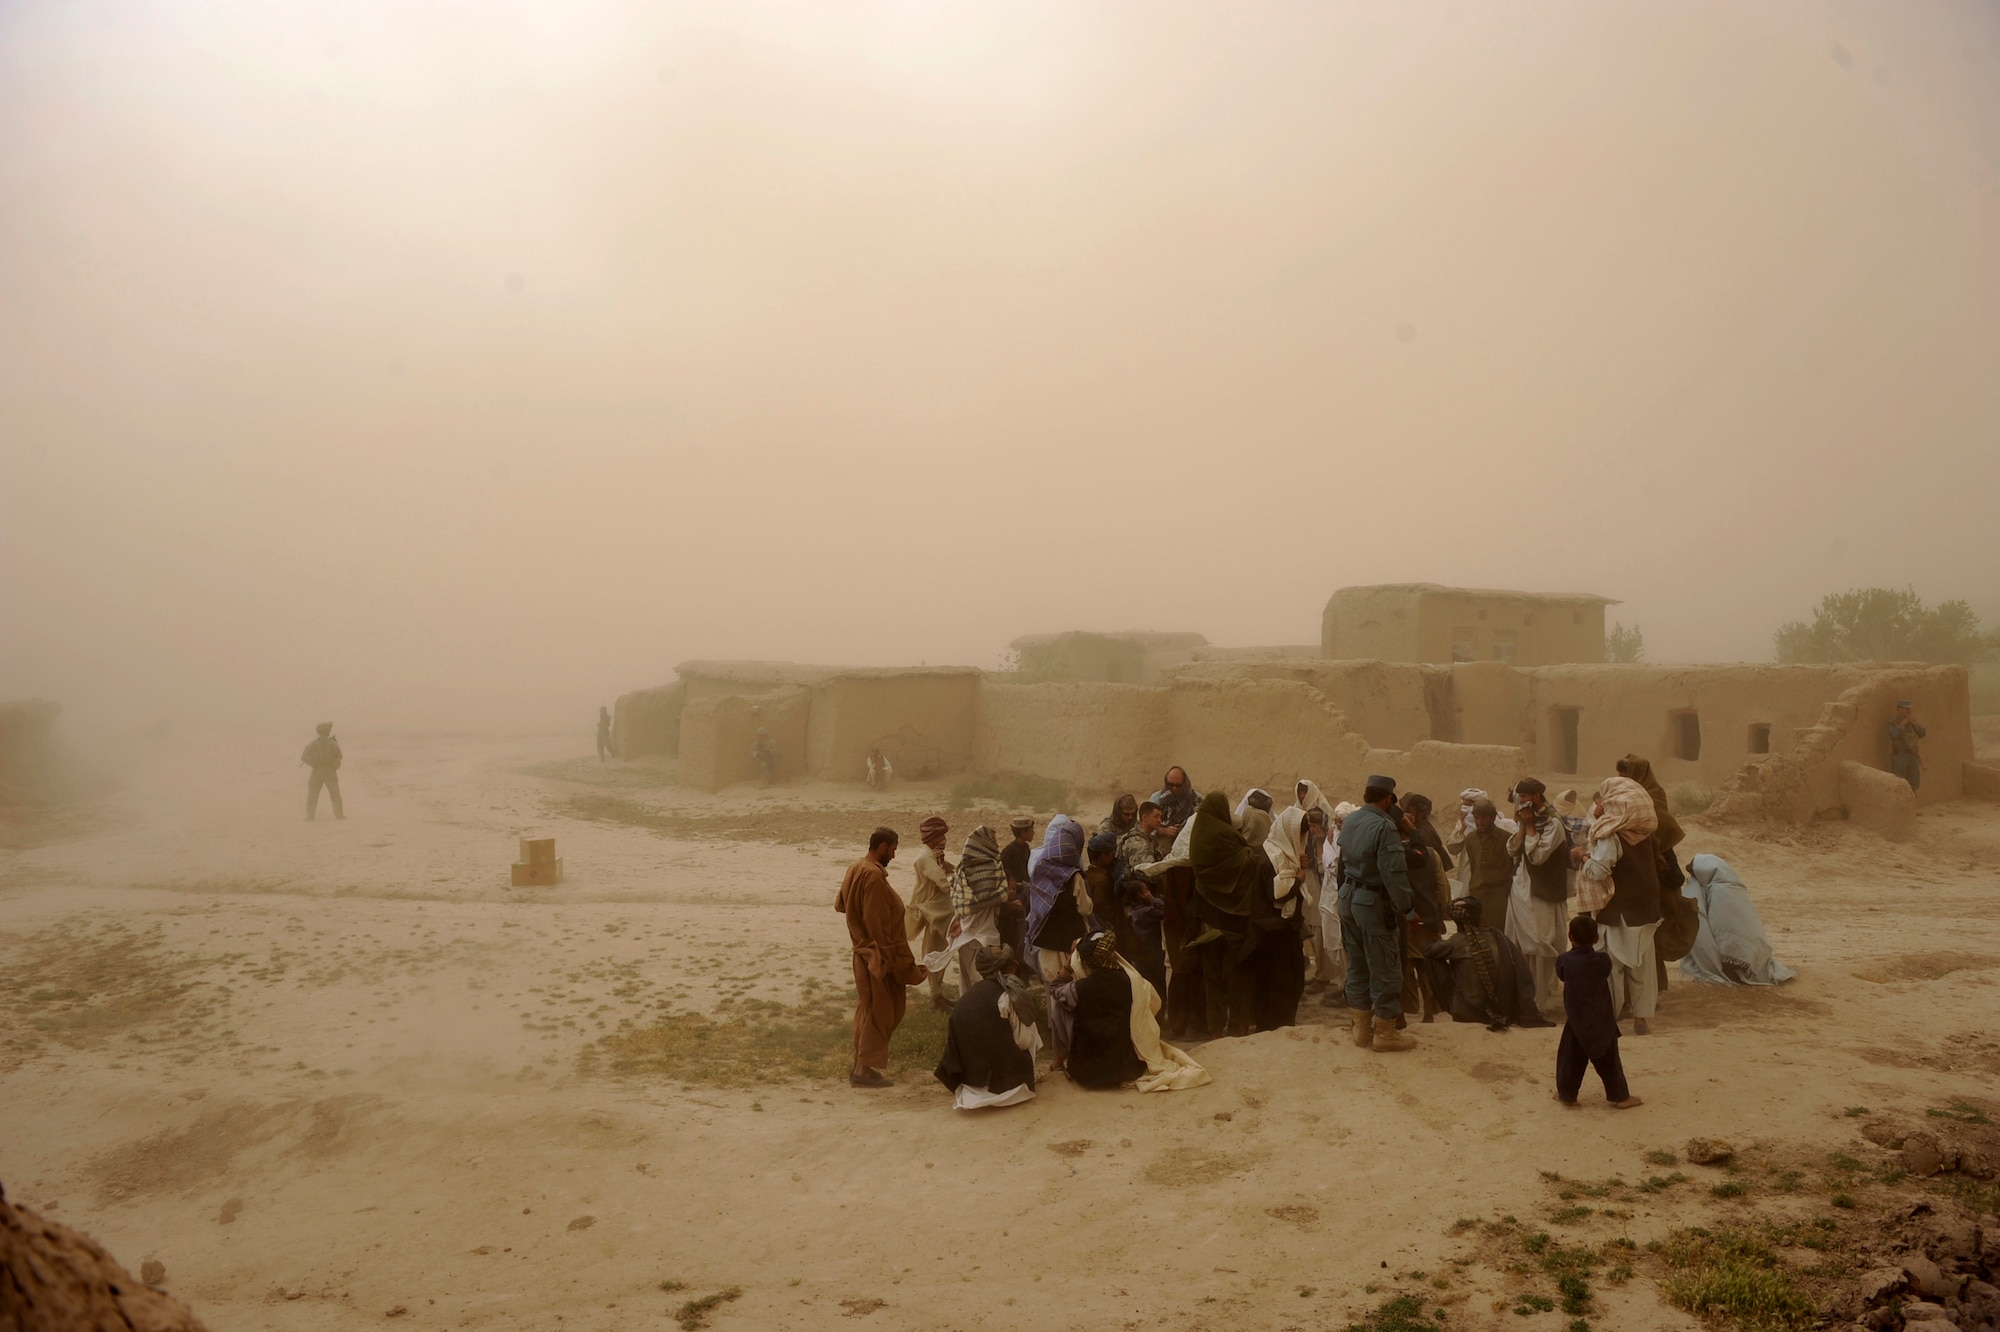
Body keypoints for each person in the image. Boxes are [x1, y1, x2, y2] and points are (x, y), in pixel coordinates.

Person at [1049, 930, 1210, 1092]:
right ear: (1112, 954)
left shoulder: (1078, 989)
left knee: (1061, 1007)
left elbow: (1055, 988)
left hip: (1088, 1073)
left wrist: (1067, 966)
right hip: (1127, 1068)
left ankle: (1058, 1059)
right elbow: (1154, 1005)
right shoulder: (1134, 982)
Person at [835, 828, 928, 1088]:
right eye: (893, 849)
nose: (894, 855)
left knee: (868, 1009)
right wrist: (890, 960)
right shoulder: (874, 877)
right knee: (882, 1012)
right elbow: (877, 925)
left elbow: (841, 904)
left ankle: (859, 1063)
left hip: (863, 954)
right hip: (877, 958)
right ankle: (863, 1070)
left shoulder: (856, 868)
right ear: (883, 846)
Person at [1573, 776, 1663, 1035]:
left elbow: (1599, 871)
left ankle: (1610, 1017)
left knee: (1612, 966)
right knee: (1642, 965)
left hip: (1617, 910)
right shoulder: (1644, 834)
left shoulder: (1610, 836)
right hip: (1645, 909)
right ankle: (1641, 1019)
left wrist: (1584, 857)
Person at [1335, 775, 1416, 1052]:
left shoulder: (1351, 821)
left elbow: (1342, 864)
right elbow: (1393, 874)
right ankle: (1385, 1033)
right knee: (1385, 965)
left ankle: (1360, 1029)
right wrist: (1407, 907)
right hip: (1372, 902)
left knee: (1357, 962)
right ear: (1387, 799)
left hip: (1347, 897)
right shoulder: (1384, 826)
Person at [1187, 791, 1270, 1039]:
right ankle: (1240, 1028)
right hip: (1235, 924)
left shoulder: (1199, 838)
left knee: (1212, 980)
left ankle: (1216, 1031)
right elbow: (1245, 864)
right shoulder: (1227, 837)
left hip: (1208, 923)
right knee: (1239, 979)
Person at [933, 944, 1040, 1110]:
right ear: (1011, 967)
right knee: (1028, 1027)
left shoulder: (965, 998)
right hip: (1004, 1090)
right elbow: (1024, 1042)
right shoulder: (1007, 997)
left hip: (968, 1083)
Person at [1422, 896, 1549, 1029]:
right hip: (1502, 1009)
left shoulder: (1456, 942)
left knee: (1432, 960)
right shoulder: (1499, 937)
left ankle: (1449, 1007)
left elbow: (1428, 951)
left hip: (1468, 1013)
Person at [1555, 915, 1641, 1109]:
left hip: (1576, 1020)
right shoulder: (1603, 960)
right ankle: (1621, 1097)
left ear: (1570, 936)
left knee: (1570, 1060)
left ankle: (1567, 1095)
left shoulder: (1564, 960)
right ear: (1597, 938)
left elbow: (1561, 975)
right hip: (1601, 1020)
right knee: (1609, 1063)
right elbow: (1604, 973)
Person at [1025, 817, 1091, 1068]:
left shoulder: (1040, 871)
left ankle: (1057, 1058)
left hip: (1047, 948)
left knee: (1056, 1001)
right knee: (1076, 998)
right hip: (1072, 947)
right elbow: (1085, 908)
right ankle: (1076, 1053)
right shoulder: (1075, 877)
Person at [923, 824, 1011, 1012]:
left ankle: (966, 1017)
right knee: (982, 985)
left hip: (965, 936)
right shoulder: (990, 869)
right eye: (994, 840)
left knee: (966, 984)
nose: (996, 844)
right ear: (984, 843)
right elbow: (999, 897)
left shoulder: (963, 869)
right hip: (982, 938)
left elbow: (964, 900)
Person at [1504, 778, 1572, 1018]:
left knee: (1541, 943)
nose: (1521, 802)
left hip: (1543, 893)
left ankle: (1540, 1001)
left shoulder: (1553, 823)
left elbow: (1538, 857)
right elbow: (1512, 850)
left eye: (1524, 797)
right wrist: (1523, 828)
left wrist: (1531, 828)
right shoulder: (1525, 819)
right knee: (1520, 943)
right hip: (1521, 888)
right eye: (1519, 798)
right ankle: (1523, 998)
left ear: (1536, 797)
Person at [1680, 855, 1797, 987]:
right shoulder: (1734, 886)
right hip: (1756, 949)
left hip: (1736, 953)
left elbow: (1715, 927)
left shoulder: (1718, 891)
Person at [1393, 798, 1447, 1026]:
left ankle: (1407, 1010)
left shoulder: (1392, 854)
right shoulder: (1431, 855)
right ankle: (1429, 1012)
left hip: (1402, 920)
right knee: (1427, 967)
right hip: (1427, 919)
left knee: (1404, 968)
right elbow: (1442, 889)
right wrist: (1439, 913)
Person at [907, 816, 956, 1012]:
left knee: (939, 950)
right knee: (935, 952)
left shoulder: (931, 855)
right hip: (932, 910)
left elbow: (942, 870)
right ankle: (935, 999)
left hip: (933, 909)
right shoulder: (926, 858)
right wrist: (958, 880)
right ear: (935, 837)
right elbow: (943, 884)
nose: (945, 839)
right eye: (942, 835)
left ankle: (938, 996)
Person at [1315, 802, 1355, 1005]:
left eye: (1341, 822)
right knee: (1331, 942)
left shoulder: (1355, 837)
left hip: (1345, 897)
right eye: (1336, 821)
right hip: (1329, 895)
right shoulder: (1333, 835)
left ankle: (1350, 988)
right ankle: (1342, 984)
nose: (1338, 825)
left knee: (1344, 944)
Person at [1457, 797, 1517, 930]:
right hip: (1476, 894)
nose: (1480, 822)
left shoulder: (1506, 839)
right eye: (1477, 818)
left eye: (1484, 818)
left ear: (1493, 817)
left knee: (1497, 935)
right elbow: (1473, 867)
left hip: (1499, 898)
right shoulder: (1470, 839)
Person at [997, 817, 1035, 959]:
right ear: (1023, 832)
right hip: (1013, 895)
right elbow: (1004, 876)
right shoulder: (1009, 851)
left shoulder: (1025, 848)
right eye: (1031, 831)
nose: (1033, 833)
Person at [301, 722, 344, 821]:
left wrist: (311, 762)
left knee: (313, 794)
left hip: (316, 772)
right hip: (330, 772)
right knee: (335, 794)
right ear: (328, 732)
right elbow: (340, 756)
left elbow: (303, 757)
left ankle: (310, 816)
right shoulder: (333, 744)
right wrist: (335, 764)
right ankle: (339, 815)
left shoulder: (312, 744)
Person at [1152, 766, 1201, 840]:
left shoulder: (1197, 800)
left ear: (1185, 783)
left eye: (1178, 785)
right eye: (1171, 785)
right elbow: (1146, 826)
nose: (1174, 788)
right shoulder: (1157, 799)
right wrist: (1164, 831)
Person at [1889, 700, 1926, 790]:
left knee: (1914, 781)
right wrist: (1902, 725)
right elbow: (1894, 734)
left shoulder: (1911, 722)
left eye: (1909, 709)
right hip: (1900, 755)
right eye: (1906, 709)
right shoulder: (1893, 722)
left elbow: (1922, 734)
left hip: (1912, 755)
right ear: (1899, 709)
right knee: (1899, 781)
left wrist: (1914, 725)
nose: (1909, 711)